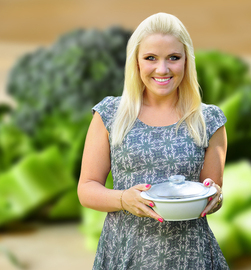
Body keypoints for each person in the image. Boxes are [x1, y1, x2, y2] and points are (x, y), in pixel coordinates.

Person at [77, 12, 229, 270]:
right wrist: (124, 199)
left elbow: (211, 192)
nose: (162, 69)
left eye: (173, 58)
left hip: (191, 257)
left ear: (186, 62)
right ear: (136, 62)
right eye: (151, 58)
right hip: (125, 252)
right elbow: (87, 189)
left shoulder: (209, 120)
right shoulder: (110, 114)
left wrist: (215, 197)